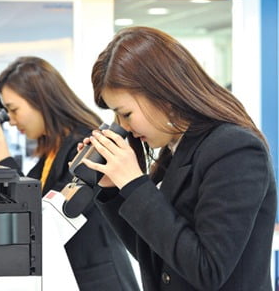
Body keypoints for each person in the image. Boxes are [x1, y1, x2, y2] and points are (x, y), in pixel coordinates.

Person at [85, 26, 277, 290]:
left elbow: (207, 270)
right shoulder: (174, 151)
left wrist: (135, 185)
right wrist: (112, 188)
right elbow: (153, 254)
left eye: (126, 114)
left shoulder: (235, 148)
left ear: (162, 94)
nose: (123, 127)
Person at [0, 56, 139, 291]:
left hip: (98, 280)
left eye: (13, 110)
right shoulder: (52, 150)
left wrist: (3, 161)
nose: (10, 121)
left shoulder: (85, 145)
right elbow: (28, 206)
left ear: (41, 101)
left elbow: (53, 217)